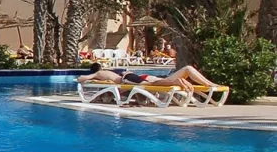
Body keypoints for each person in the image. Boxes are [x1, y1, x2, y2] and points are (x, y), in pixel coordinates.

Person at [76, 63, 219, 92]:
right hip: (142, 76)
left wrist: (80, 79)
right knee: (187, 68)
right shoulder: (108, 71)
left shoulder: (100, 73)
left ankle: (174, 81)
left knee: (148, 85)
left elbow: (83, 78)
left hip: (128, 78)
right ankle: (210, 84)